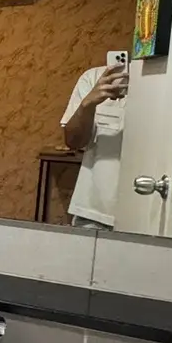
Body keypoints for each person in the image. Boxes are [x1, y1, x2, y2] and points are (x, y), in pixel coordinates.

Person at [61, 62, 129, 229]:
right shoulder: (94, 77)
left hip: (152, 218)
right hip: (94, 215)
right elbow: (73, 142)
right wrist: (87, 105)